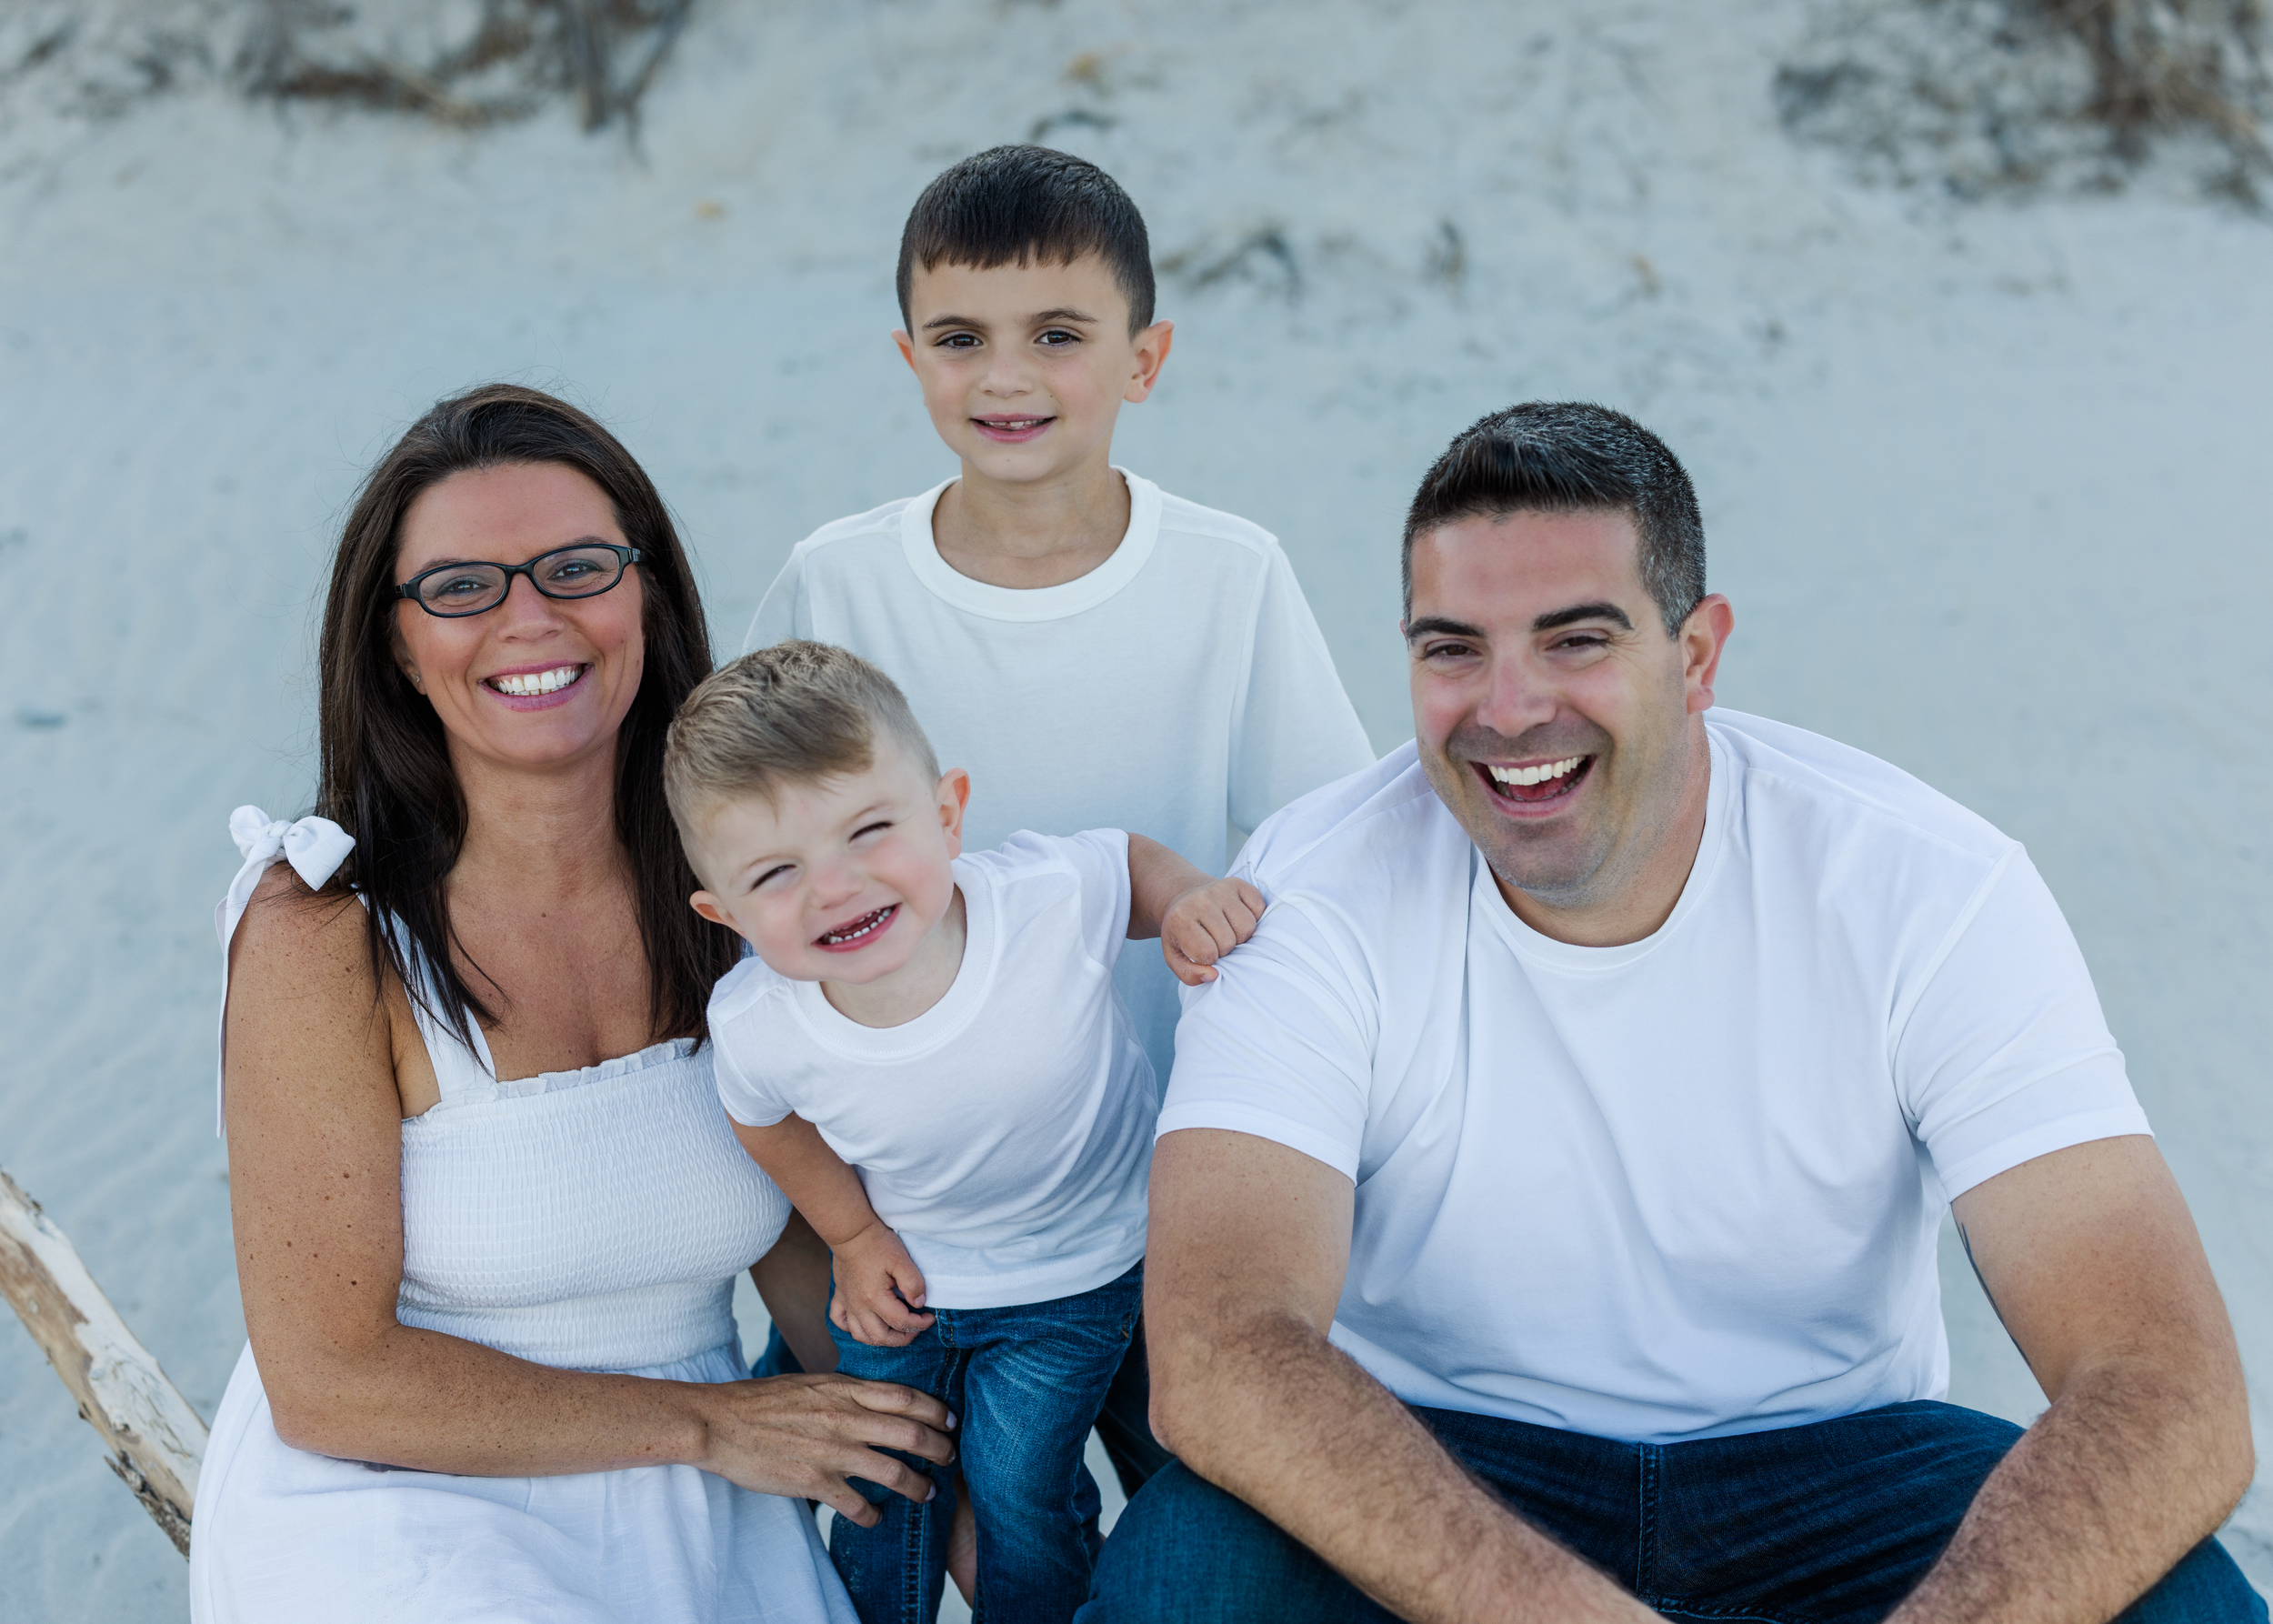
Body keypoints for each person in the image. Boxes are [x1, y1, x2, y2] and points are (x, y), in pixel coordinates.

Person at [1085, 402, 2264, 1623]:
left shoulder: (1930, 888)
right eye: (1453, 650)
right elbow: (1222, 1349)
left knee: (2186, 1602)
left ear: (1696, 654)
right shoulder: (1312, 890)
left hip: (1840, 1474)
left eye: (1574, 640)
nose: (1507, 707)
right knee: (1188, 1575)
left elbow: (2164, 1380)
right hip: (1441, 1465)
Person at [191, 386, 956, 1624]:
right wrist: (711, 1422)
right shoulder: (328, 929)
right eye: (461, 586)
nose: (529, 618)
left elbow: (813, 1244)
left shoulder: (746, 885)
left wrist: (979, 1517)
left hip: (704, 1513)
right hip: (396, 1503)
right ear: (395, 641)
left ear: (643, 590)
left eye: (576, 566)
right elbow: (331, 1380)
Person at [741, 144, 1376, 1500]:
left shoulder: (1227, 574)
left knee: (1194, 1534)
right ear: (910, 357)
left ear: (1143, 359)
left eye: (1059, 336)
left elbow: (1334, 855)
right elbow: (739, 845)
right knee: (888, 1530)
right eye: (961, 337)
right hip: (909, 1214)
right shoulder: (839, 578)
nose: (1007, 377)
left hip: (1169, 1203)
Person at [662, 641, 1267, 1624]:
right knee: (876, 1481)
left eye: (869, 830)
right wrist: (853, 1239)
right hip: (904, 1278)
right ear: (721, 911)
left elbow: (1121, 860)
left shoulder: (1036, 903)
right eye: (776, 871)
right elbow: (762, 1121)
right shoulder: (758, 1019)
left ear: (946, 814)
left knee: (1019, 1489)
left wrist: (1187, 898)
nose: (835, 885)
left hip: (1071, 1274)